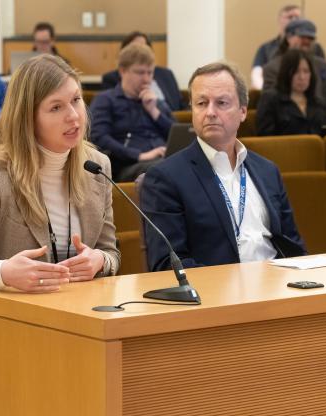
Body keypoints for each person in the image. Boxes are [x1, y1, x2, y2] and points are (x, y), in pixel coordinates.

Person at [0, 54, 119, 416]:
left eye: (75, 99)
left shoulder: (96, 167)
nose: (73, 116)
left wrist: (99, 261)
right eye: (55, 107)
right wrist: (1, 274)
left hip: (74, 340)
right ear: (29, 118)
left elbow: (111, 252)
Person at [141, 62, 306, 271]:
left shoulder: (267, 171)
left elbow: (294, 248)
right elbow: (168, 264)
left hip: (277, 288)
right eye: (201, 103)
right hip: (218, 294)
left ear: (243, 112)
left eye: (221, 103)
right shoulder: (166, 178)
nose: (210, 112)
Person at [90, 43, 175, 182]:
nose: (147, 79)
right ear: (122, 71)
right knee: (163, 168)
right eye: (140, 72)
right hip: (128, 165)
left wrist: (154, 112)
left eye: (150, 73)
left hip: (163, 160)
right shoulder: (105, 100)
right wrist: (139, 155)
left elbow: (176, 135)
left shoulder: (155, 102)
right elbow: (99, 138)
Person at [262, 19, 326, 109]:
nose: (307, 41)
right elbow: (269, 102)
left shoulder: (325, 66)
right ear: (288, 38)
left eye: (310, 38)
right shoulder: (272, 68)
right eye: (302, 37)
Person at [101, 31, 185, 111]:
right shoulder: (111, 80)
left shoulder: (166, 74)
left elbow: (182, 106)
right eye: (135, 49)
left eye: (149, 73)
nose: (141, 53)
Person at [250, 4, 326, 90]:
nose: (294, 20)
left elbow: (324, 74)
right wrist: (263, 90)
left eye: (297, 17)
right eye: (290, 17)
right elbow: (256, 74)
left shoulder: (315, 48)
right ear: (280, 20)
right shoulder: (266, 48)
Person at [256, 49, 326, 136]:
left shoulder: (319, 103)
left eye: (306, 71)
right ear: (286, 72)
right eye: (296, 71)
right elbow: (264, 138)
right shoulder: (270, 100)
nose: (302, 77)